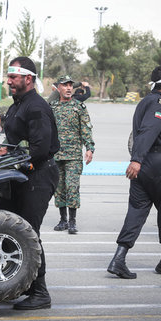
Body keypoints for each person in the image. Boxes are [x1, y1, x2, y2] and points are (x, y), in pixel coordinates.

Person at [107, 65, 161, 279]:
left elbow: (156, 135)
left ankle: (119, 258)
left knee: (136, 211)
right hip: (157, 165)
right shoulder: (160, 103)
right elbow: (148, 131)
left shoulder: (145, 101)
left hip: (145, 166)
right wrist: (136, 160)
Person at [0, 56, 59, 310]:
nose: (8, 81)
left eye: (13, 77)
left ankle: (40, 292)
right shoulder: (18, 104)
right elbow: (14, 141)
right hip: (19, 176)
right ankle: (20, 283)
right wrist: (1, 152)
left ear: (28, 79)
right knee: (4, 225)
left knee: (28, 232)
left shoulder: (36, 107)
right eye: (9, 77)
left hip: (38, 176)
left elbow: (40, 149)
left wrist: (9, 153)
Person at [50, 75, 95, 234]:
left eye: (70, 85)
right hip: (56, 155)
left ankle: (72, 221)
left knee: (72, 187)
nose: (69, 88)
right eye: (65, 85)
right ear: (58, 88)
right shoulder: (52, 107)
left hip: (74, 155)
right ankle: (62, 220)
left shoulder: (79, 107)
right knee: (59, 188)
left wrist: (89, 148)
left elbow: (86, 129)